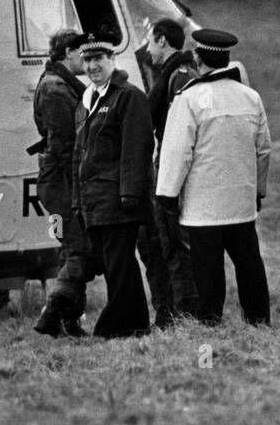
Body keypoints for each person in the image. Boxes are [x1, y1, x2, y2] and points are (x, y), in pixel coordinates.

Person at [157, 29, 272, 325]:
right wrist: (258, 191)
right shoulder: (250, 97)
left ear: (198, 58)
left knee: (207, 270)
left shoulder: (189, 99)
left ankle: (210, 321)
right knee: (249, 265)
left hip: (203, 207)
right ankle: (258, 320)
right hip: (241, 203)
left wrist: (167, 194)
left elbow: (177, 152)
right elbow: (263, 149)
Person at [72, 30, 155, 338]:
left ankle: (113, 326)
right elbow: (79, 155)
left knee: (119, 263)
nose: (92, 66)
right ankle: (134, 325)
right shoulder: (88, 100)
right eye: (87, 60)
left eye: (98, 59)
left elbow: (137, 146)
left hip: (118, 200)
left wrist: (130, 193)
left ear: (112, 59)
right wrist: (77, 200)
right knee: (116, 265)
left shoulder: (128, 96)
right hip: (96, 199)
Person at [32, 29, 95, 337]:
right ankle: (52, 314)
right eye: (84, 51)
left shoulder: (59, 85)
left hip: (59, 183)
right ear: (69, 52)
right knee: (78, 249)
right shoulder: (57, 90)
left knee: (72, 250)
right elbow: (63, 147)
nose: (88, 58)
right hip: (61, 184)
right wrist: (77, 193)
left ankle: (67, 321)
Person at [143, 18, 200, 323]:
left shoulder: (177, 77)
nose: (148, 49)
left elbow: (179, 132)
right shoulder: (174, 73)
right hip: (170, 165)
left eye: (151, 41)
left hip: (173, 168)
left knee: (174, 242)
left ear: (162, 41)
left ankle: (186, 312)